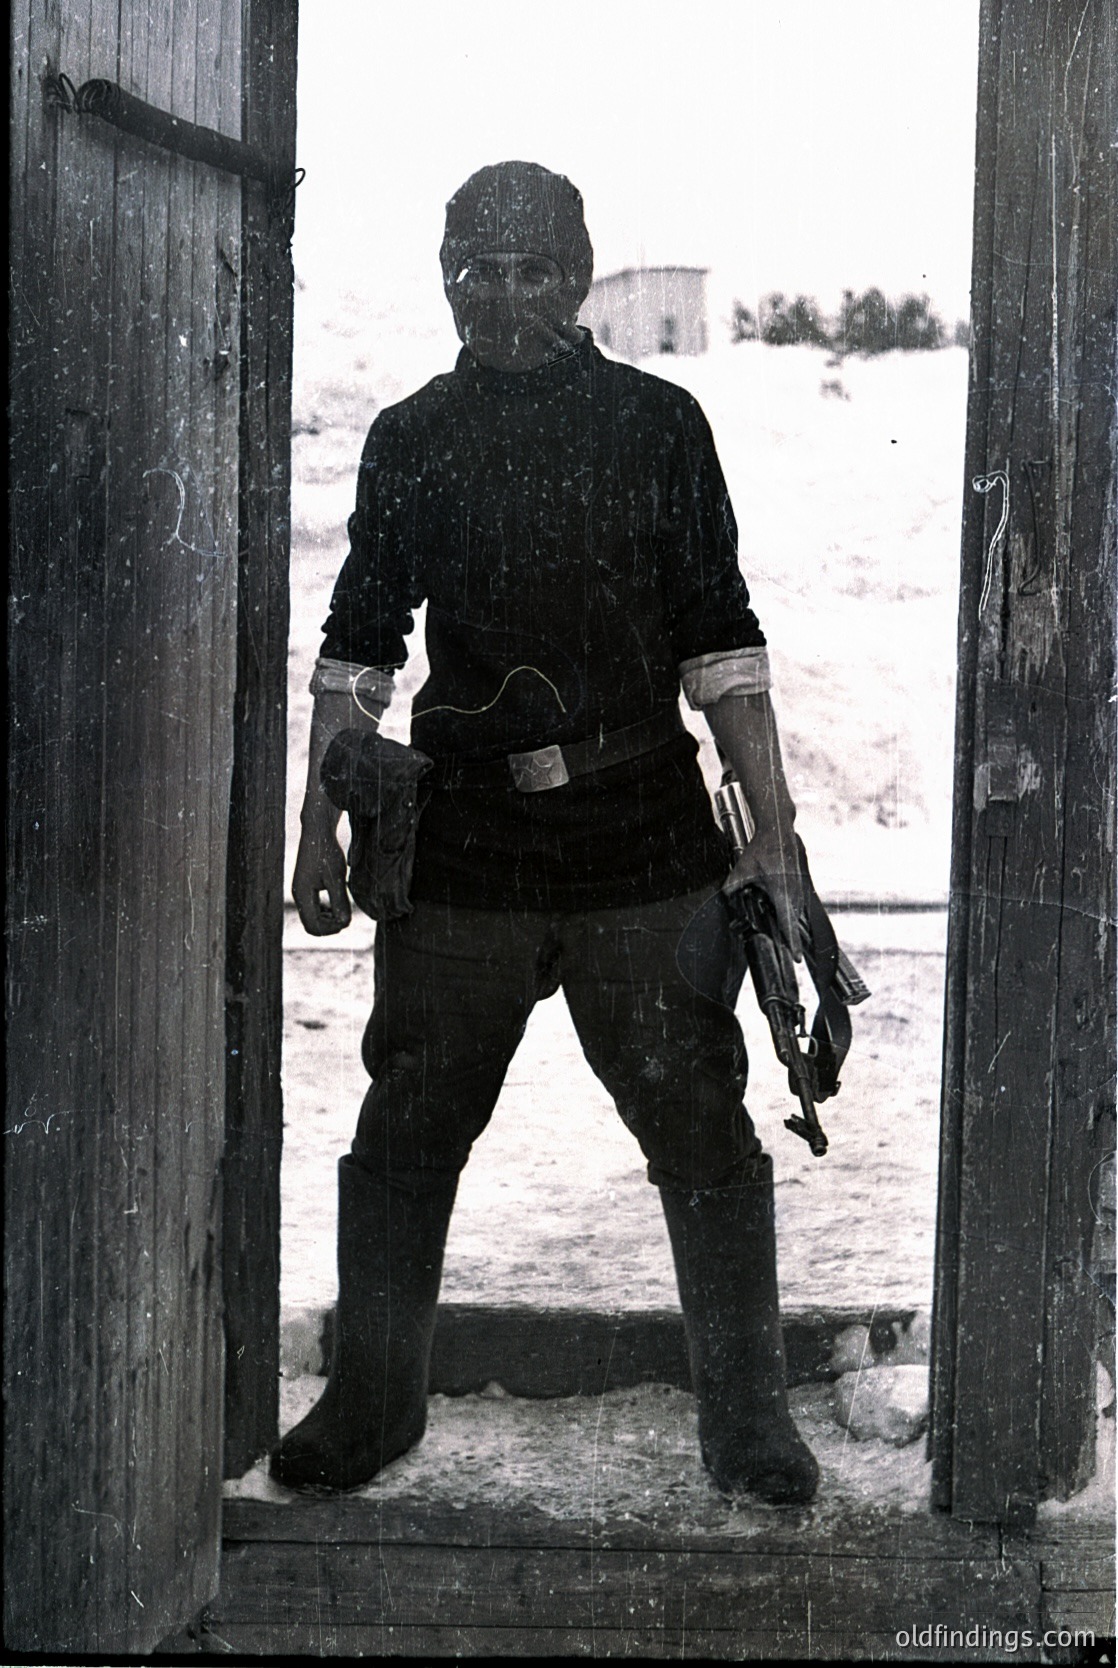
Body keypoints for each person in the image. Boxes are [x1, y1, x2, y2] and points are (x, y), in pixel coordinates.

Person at [271, 160, 819, 1505]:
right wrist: (316, 831)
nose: (502, 297)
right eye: (476, 267)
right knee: (407, 1122)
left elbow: (719, 634)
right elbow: (356, 650)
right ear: (444, 271)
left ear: (575, 277)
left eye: (531, 270)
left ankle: (745, 1420)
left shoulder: (655, 424)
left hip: (643, 834)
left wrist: (774, 833)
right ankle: (373, 1398)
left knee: (696, 1120)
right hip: (461, 844)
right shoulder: (411, 435)